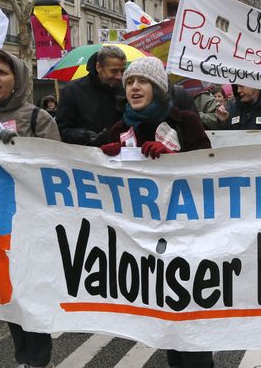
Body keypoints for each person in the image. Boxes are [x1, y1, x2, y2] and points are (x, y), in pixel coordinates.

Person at [99, 57, 213, 367]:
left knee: (190, 312)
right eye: (130, 82)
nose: (135, 87)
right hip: (144, 239)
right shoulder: (119, 129)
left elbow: (210, 168)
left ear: (158, 87)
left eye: (142, 81)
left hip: (186, 232)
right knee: (165, 316)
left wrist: (175, 157)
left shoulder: (184, 121)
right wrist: (105, 160)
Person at [0, 49, 60, 367]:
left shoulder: (39, 118)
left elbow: (58, 171)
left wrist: (24, 151)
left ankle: (37, 360)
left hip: (33, 230)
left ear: (18, 79)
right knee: (8, 298)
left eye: (2, 72)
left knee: (32, 298)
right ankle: (26, 357)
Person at [56, 45, 127, 146]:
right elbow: (61, 130)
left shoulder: (126, 90)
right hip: (85, 157)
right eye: (114, 71)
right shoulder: (72, 90)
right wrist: (85, 136)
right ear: (98, 67)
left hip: (120, 155)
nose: (119, 76)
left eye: (122, 71)